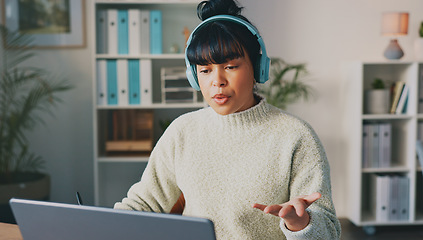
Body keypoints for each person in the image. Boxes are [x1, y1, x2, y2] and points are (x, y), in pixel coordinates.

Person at [114, 0, 342, 239]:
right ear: (194, 76)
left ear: (257, 68)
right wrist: (105, 226)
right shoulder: (182, 131)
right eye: (205, 70)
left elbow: (328, 231)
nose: (217, 81)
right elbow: (143, 203)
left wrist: (301, 223)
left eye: (231, 66)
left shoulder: (295, 135)